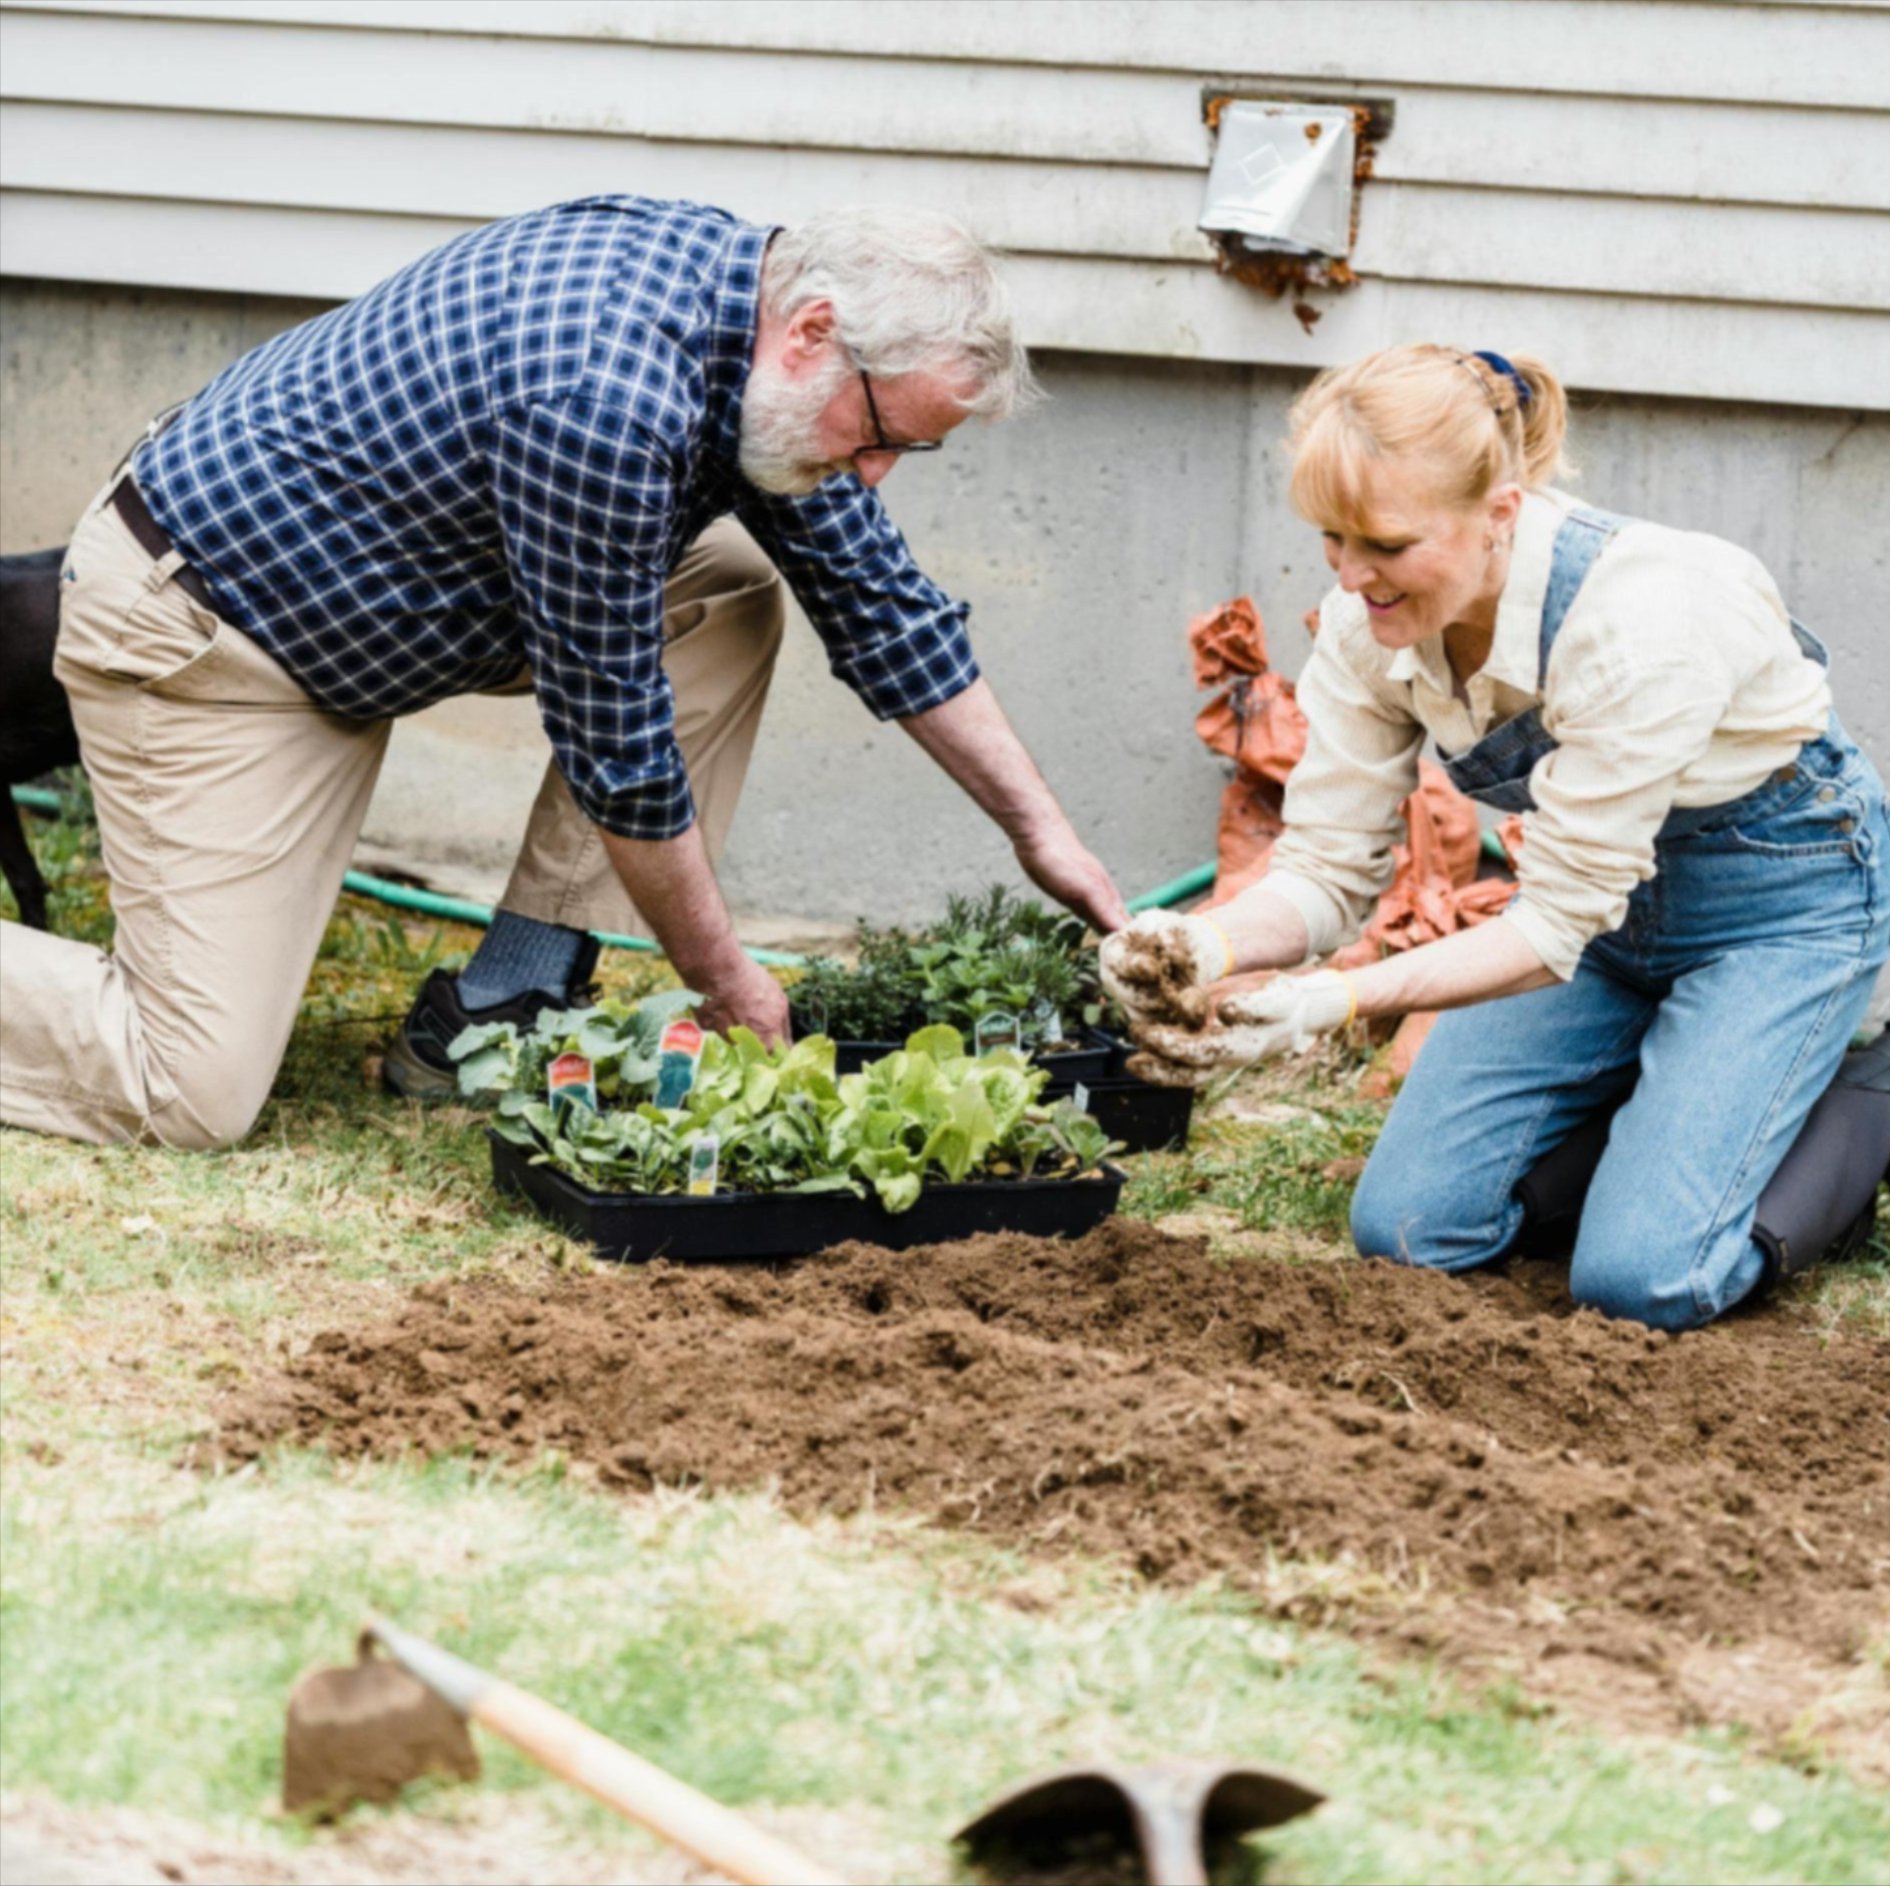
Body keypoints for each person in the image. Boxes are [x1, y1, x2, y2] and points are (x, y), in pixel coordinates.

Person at [0, 196, 1126, 1149]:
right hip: (216, 634)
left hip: (366, 614)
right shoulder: (604, 395)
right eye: (883, 435)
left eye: (906, 452)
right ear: (816, 331)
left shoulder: (756, 321)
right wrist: (724, 979)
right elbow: (621, 750)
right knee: (187, 1085)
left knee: (729, 586)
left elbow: (882, 605)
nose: (876, 475)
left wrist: (1045, 837)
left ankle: (506, 994)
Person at [1104, 343, 1889, 1332]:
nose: (1352, 578)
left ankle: (1862, 1100)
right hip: (1606, 921)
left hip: (1778, 909)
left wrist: (1333, 998)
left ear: (1500, 515)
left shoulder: (1643, 621)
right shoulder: (1368, 624)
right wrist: (1202, 945)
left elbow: (1549, 928)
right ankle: (1670, 1115)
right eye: (1331, 540)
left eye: (1384, 543)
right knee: (1409, 1226)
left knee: (1642, 1279)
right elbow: (1322, 867)